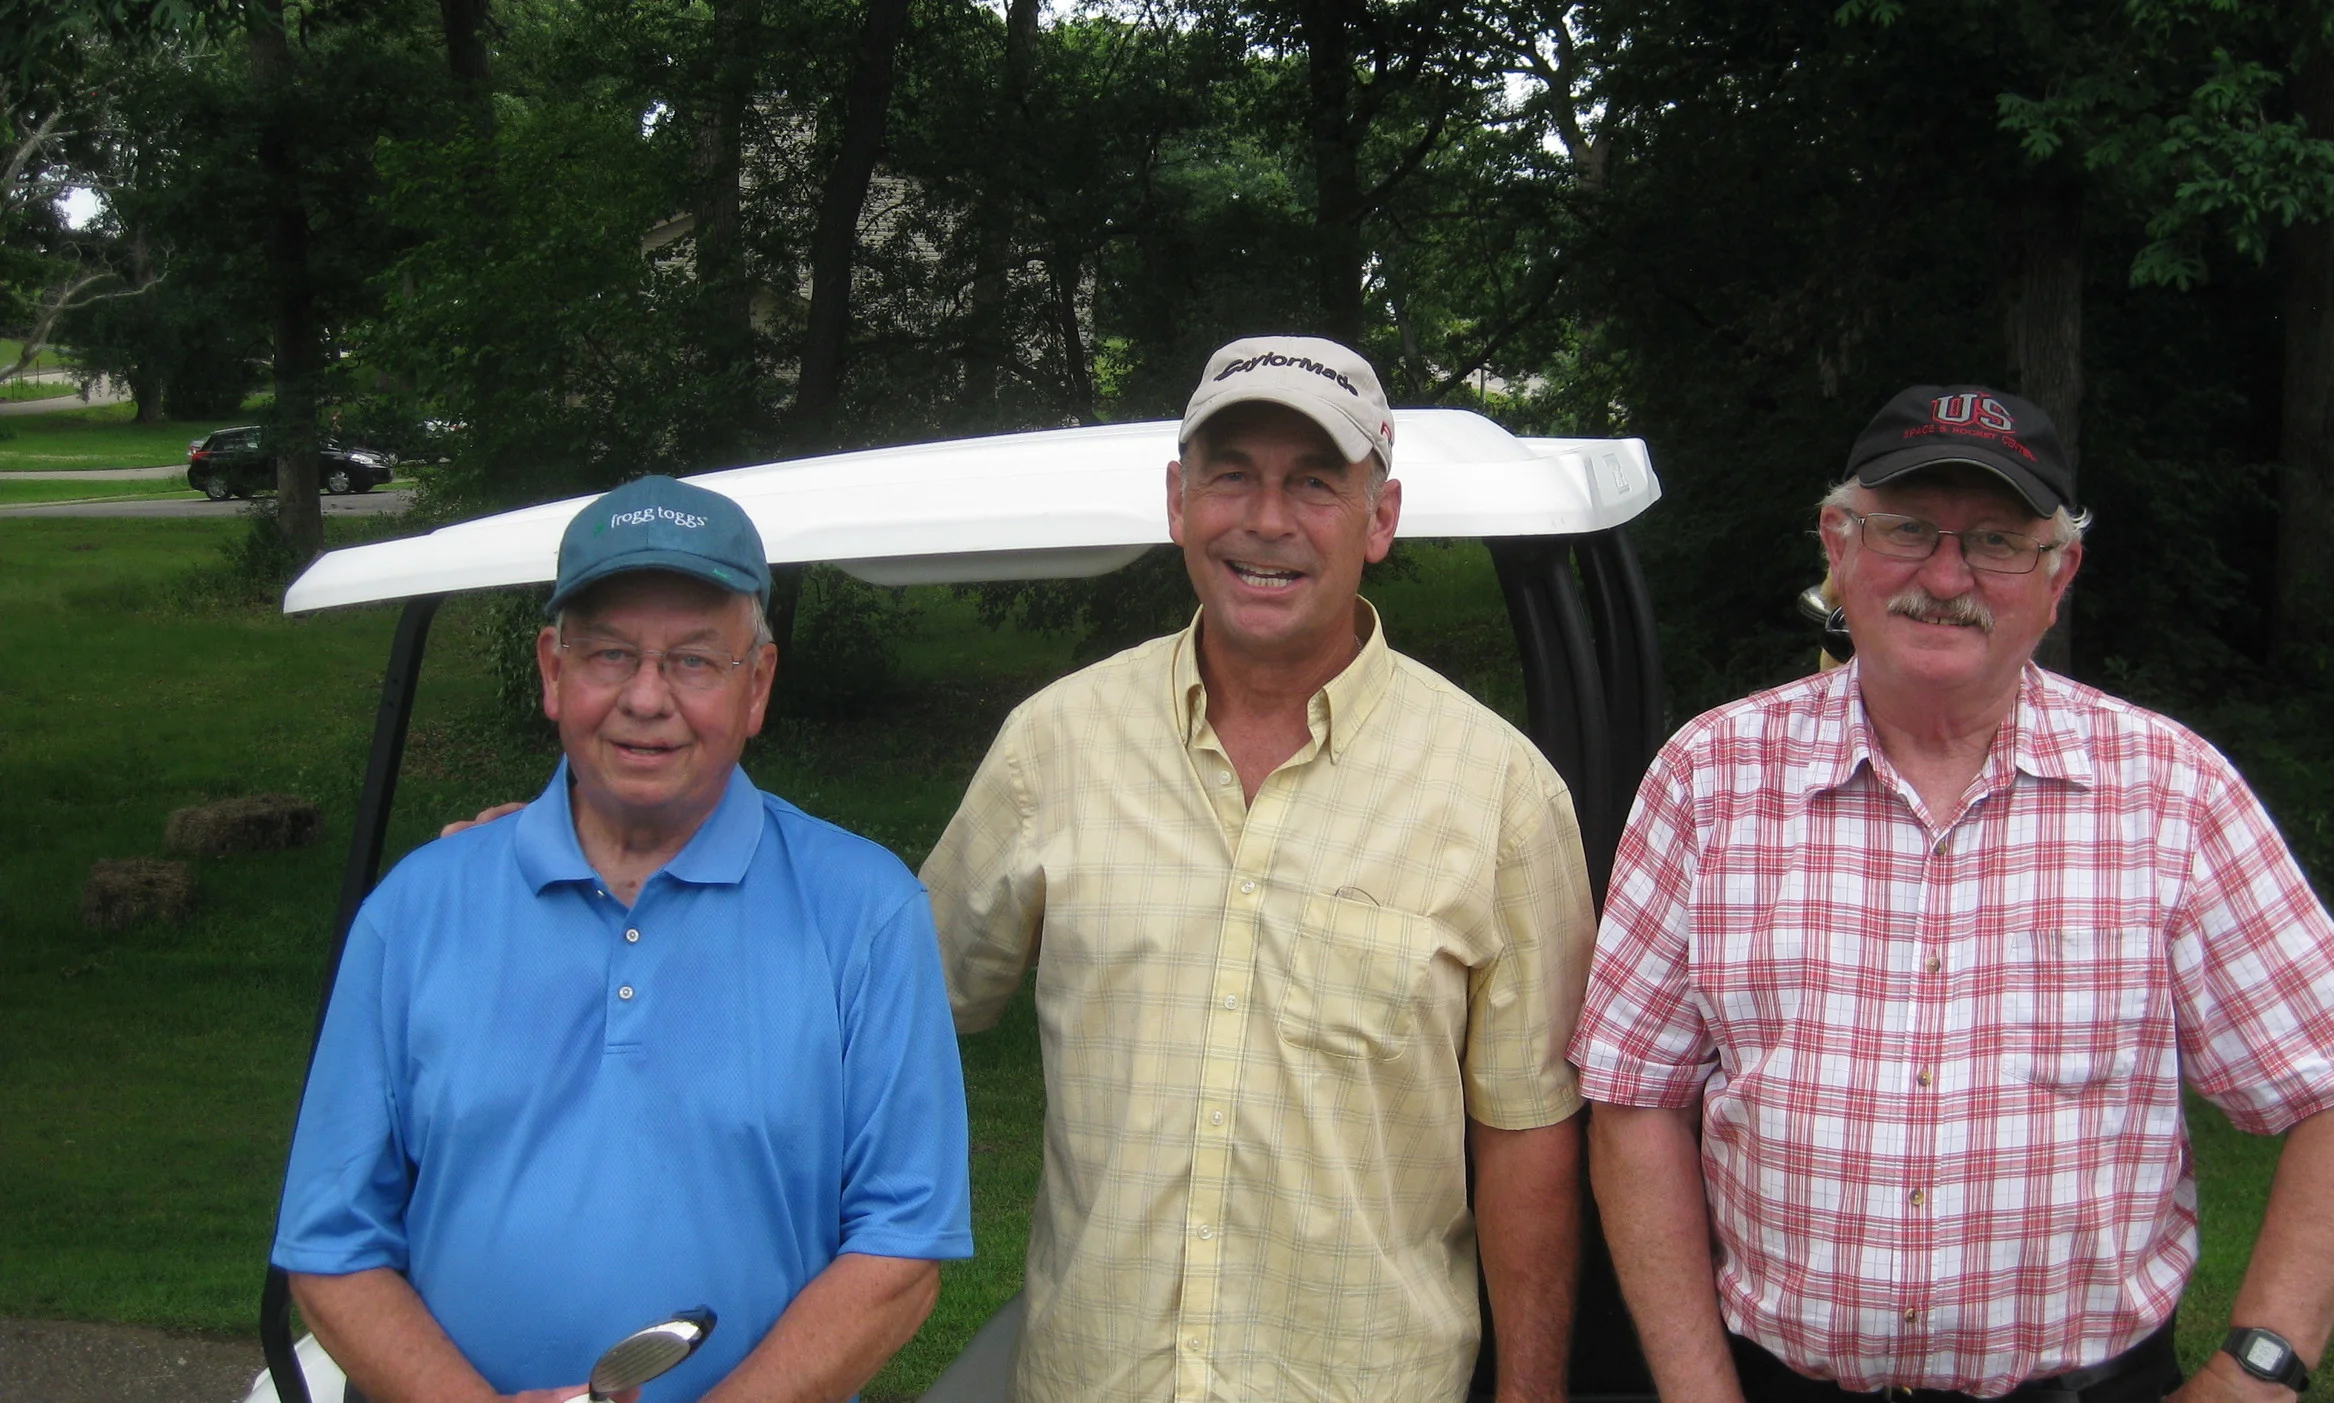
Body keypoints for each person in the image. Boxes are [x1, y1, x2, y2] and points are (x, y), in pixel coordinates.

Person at [1571, 385, 2334, 1403]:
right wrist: (1697, 1388)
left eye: (1997, 541)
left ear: (2060, 573)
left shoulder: (2171, 791)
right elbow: (1634, 1101)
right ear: (1836, 546)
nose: (1944, 575)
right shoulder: (1708, 778)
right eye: (1907, 529)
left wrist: (2257, 1371)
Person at [920, 334, 1595, 1403]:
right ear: (1178, 499)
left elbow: (1528, 1134)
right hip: (1094, 1374)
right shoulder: (1051, 749)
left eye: (1314, 482)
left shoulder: (1501, 793)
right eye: (1231, 474)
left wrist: (1530, 1391)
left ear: (1381, 518)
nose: (1266, 519)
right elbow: (904, 1007)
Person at [274, 475, 974, 1403]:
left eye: (693, 661)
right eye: (610, 655)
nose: (647, 698)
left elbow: (902, 1246)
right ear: (553, 671)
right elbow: (330, 1246)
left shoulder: (866, 911)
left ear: (756, 684)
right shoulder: (415, 911)